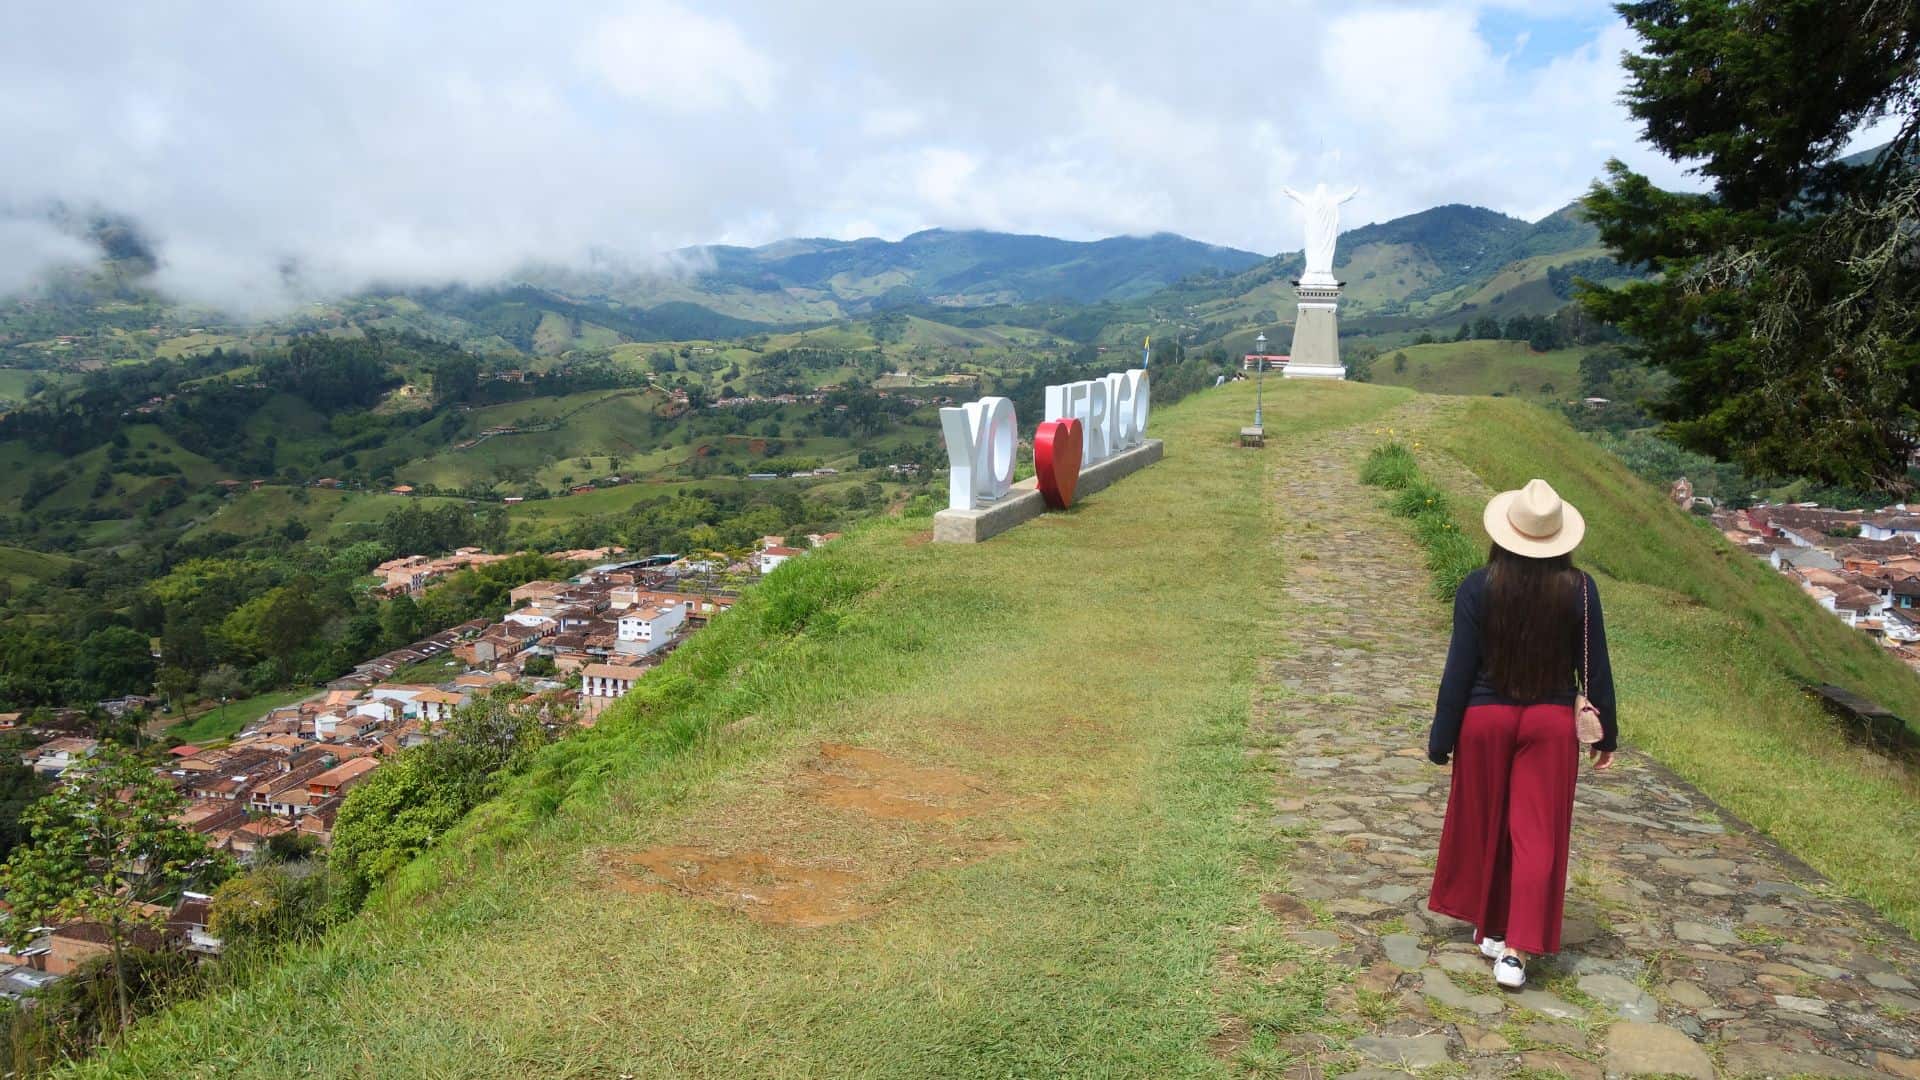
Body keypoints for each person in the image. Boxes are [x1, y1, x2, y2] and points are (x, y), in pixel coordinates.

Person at [1426, 478, 1617, 990]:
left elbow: (1459, 670)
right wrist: (1607, 737)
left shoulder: (1477, 586)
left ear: (1505, 533)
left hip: (1484, 719)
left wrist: (1442, 739)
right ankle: (1514, 949)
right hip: (1550, 724)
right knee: (1536, 836)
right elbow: (1595, 667)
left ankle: (1491, 927)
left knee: (1486, 823)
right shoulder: (1580, 589)